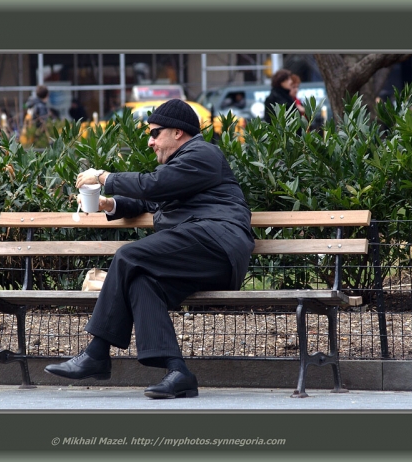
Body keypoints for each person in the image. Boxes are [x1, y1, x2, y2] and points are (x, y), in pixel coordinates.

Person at [44, 99, 256, 399]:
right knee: (143, 283)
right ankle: (178, 371)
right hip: (199, 251)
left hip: (216, 242)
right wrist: (110, 203)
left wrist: (104, 177)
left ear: (178, 133)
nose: (150, 141)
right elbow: (151, 200)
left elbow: (154, 186)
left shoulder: (203, 153)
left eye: (155, 133)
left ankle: (97, 353)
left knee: (129, 256)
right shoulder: (181, 165)